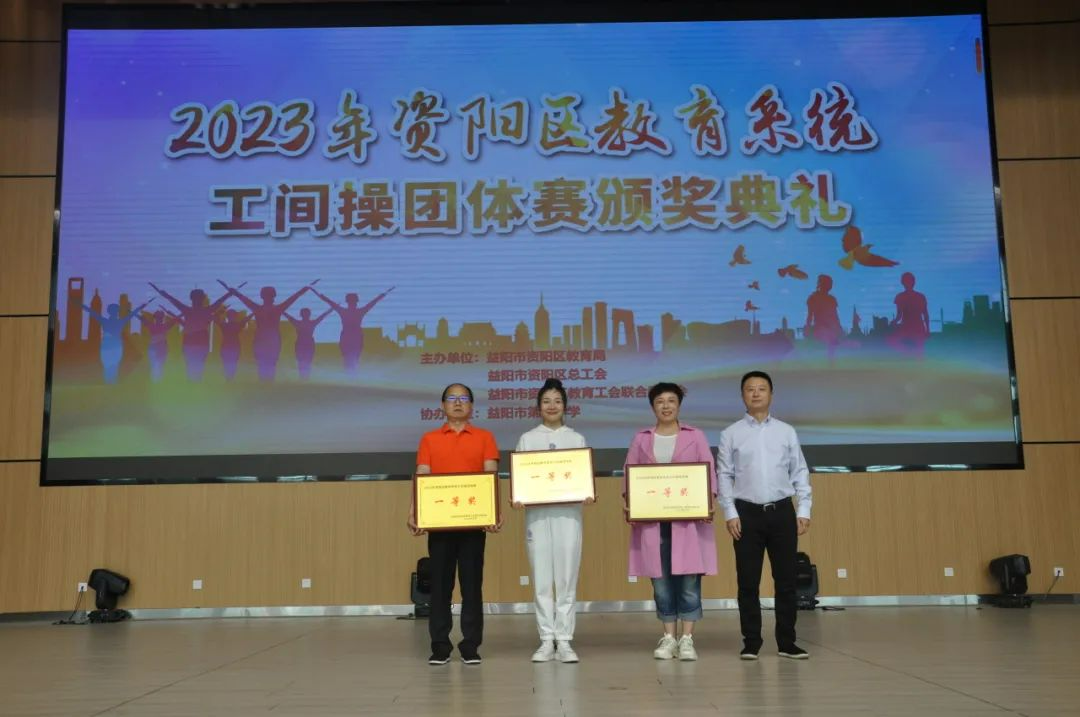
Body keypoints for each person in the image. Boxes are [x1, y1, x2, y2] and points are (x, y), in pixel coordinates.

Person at [717, 370, 812, 660]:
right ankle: (751, 642)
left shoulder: (786, 431)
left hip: (782, 511)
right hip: (746, 514)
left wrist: (804, 508)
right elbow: (724, 475)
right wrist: (730, 512)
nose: (756, 393)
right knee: (748, 582)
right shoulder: (731, 433)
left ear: (771, 394)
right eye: (750, 389)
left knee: (786, 581)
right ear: (742, 395)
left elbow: (799, 471)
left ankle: (787, 642)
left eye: (762, 388)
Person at [623, 382, 718, 661]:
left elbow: (708, 472)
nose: (666, 406)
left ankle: (687, 639)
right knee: (661, 583)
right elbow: (630, 475)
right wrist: (630, 502)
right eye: (660, 401)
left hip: (687, 523)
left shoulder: (695, 436)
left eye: (671, 401)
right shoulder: (641, 438)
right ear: (653, 406)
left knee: (689, 582)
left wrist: (708, 500)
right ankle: (668, 637)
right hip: (653, 522)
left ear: (679, 405)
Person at [408, 384, 500, 666]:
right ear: (442, 406)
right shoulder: (429, 439)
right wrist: (415, 511)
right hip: (440, 525)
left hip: (473, 525)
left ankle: (470, 645)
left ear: (471, 406)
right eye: (452, 398)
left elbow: (491, 477)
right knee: (440, 587)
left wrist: (494, 512)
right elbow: (422, 475)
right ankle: (440, 645)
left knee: (472, 586)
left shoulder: (485, 437)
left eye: (463, 399)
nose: (457, 403)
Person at [513, 378, 590, 664]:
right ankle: (546, 639)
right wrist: (517, 496)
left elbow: (583, 477)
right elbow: (520, 479)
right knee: (542, 578)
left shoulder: (576, 439)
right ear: (538, 407)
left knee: (567, 577)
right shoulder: (527, 439)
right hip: (537, 516)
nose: (552, 406)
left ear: (565, 406)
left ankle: (565, 640)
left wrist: (587, 492)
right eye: (546, 401)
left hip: (569, 515)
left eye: (557, 401)